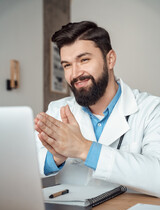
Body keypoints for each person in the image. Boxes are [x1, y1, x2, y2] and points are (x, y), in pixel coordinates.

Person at [35, 21, 160, 197]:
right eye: (67, 65)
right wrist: (55, 158)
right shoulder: (58, 110)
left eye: (84, 60)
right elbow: (22, 166)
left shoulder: (151, 109)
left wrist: (83, 149)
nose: (75, 73)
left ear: (110, 59)